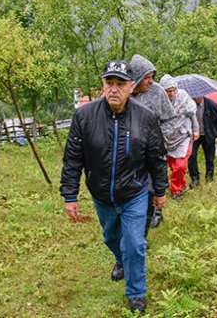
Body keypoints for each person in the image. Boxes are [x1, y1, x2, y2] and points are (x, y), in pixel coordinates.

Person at [60, 59, 168, 313]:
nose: (114, 89)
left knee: (134, 242)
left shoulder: (146, 118)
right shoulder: (84, 116)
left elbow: (156, 157)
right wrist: (69, 194)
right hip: (101, 194)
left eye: (121, 84)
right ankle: (120, 259)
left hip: (135, 191)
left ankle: (136, 293)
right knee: (111, 237)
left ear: (132, 87)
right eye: (110, 83)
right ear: (103, 85)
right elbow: (73, 158)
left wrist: (160, 191)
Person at [129, 54, 176, 230]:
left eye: (152, 77)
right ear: (136, 78)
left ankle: (147, 225)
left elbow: (170, 118)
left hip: (152, 151)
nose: (150, 81)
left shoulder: (157, 92)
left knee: (151, 187)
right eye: (146, 77)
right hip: (129, 153)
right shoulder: (124, 93)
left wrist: (158, 140)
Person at [158, 74, 199, 200]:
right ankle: (182, 183)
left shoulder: (183, 96)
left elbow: (192, 114)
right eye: (168, 91)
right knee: (172, 165)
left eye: (173, 90)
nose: (171, 93)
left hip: (183, 136)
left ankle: (176, 190)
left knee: (179, 165)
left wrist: (196, 129)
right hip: (167, 138)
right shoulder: (158, 100)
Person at [188, 95, 217, 186]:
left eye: (198, 97)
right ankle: (195, 179)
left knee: (210, 158)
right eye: (194, 97)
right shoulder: (188, 104)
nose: (196, 99)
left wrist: (214, 133)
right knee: (191, 156)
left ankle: (209, 178)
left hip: (208, 135)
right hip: (193, 135)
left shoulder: (211, 104)